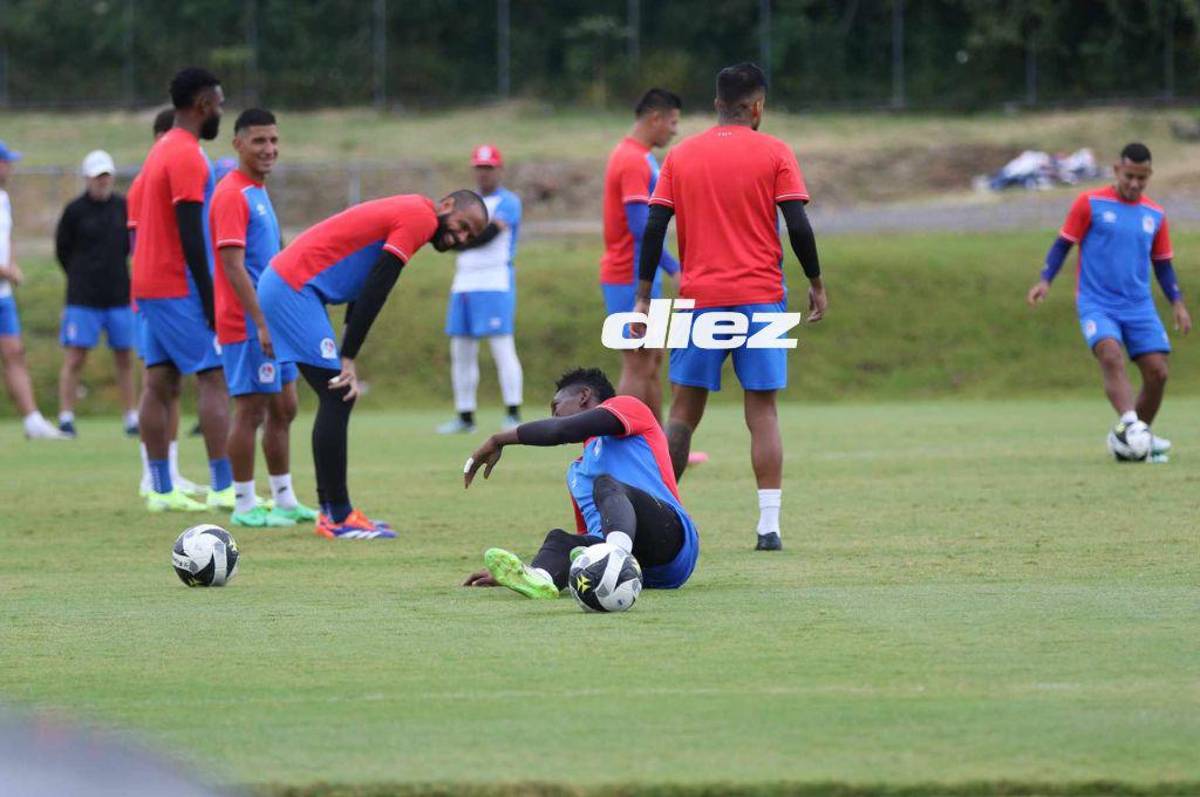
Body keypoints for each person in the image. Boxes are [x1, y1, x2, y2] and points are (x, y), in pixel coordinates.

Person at [636, 62, 827, 552]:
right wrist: (816, 282)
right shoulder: (775, 151)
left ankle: (661, 518)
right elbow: (798, 225)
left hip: (701, 300)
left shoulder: (681, 156)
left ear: (717, 104)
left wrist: (642, 293)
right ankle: (769, 527)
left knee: (683, 412)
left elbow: (655, 227)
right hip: (761, 298)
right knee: (762, 412)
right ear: (757, 106)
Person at [259, 190, 489, 538]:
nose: (460, 238)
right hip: (294, 288)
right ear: (446, 206)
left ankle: (337, 513)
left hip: (292, 286)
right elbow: (378, 286)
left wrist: (347, 351)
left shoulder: (413, 213)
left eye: (470, 237)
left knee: (338, 395)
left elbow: (365, 282)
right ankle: (337, 516)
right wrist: (347, 356)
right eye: (462, 226)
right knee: (338, 395)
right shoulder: (421, 217)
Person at [462, 367, 699, 598]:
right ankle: (539, 577)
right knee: (560, 539)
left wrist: (498, 439)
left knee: (606, 485)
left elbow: (561, 430)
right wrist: (525, 572)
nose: (553, 417)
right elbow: (588, 536)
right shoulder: (576, 472)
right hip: (635, 563)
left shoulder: (628, 407)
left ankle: (615, 558)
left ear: (584, 396)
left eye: (556, 406)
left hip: (670, 544)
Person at [1027, 142, 1191, 460]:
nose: (1134, 184)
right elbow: (1063, 244)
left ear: (1149, 176)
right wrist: (1045, 280)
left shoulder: (1154, 214)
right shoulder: (1089, 203)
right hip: (1096, 302)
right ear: (1117, 170)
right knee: (1110, 353)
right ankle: (1131, 428)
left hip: (1138, 306)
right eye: (1129, 176)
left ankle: (1132, 441)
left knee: (1158, 373)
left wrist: (1178, 302)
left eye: (1141, 179)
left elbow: (1163, 263)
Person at [210, 108, 318, 527]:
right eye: (259, 141)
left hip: (275, 319)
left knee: (285, 406)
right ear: (238, 144)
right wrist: (260, 321)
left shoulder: (258, 191)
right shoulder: (231, 193)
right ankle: (243, 504)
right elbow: (234, 266)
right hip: (247, 322)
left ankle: (285, 499)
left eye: (273, 140)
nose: (269, 149)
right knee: (251, 409)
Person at [132, 67, 232, 513]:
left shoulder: (160, 149)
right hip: (177, 285)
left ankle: (161, 487)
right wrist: (212, 298)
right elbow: (191, 233)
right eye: (220, 104)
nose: (222, 113)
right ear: (203, 105)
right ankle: (224, 487)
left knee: (159, 381)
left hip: (149, 283)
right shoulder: (188, 155)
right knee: (212, 376)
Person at [129, 109, 204, 496]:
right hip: (156, 296)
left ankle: (169, 473)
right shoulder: (146, 183)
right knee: (157, 383)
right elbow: (138, 246)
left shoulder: (165, 177)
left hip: (172, 291)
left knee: (169, 385)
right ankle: (151, 474)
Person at [600, 89, 682, 422]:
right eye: (673, 122)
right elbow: (639, 227)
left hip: (645, 276)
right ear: (655, 118)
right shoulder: (632, 159)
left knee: (652, 359)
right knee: (636, 362)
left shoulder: (642, 156)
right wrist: (675, 267)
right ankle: (626, 452)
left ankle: (656, 449)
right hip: (627, 277)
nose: (675, 130)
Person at [437, 144, 524, 434]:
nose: (484, 173)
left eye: (489, 167)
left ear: (499, 169)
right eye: (480, 168)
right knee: (461, 350)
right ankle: (465, 416)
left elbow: (486, 235)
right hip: (463, 282)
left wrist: (455, 240)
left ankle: (513, 411)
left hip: (494, 282)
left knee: (502, 348)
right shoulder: (463, 202)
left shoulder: (508, 202)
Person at [53, 150, 138, 437]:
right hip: (83, 297)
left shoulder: (123, 207)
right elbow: (62, 250)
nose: (102, 181)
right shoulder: (74, 211)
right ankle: (66, 417)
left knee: (124, 356)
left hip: (118, 294)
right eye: (97, 176)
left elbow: (130, 246)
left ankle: (130, 416)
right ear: (88, 178)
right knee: (75, 356)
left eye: (106, 176)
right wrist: (79, 277)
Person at [0, 139, 68, 439]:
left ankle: (32, 421)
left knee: (15, 352)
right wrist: (7, 270)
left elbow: (7, 238)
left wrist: (10, 265)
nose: (11, 168)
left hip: (2, 294)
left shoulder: (3, 198)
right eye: (7, 162)